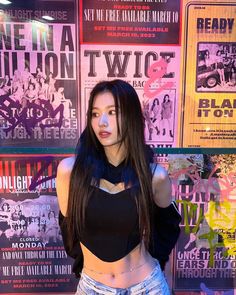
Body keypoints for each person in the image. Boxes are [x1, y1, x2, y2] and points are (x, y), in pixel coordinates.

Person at [56, 80, 181, 294]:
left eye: (112, 112)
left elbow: (167, 229)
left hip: (147, 286)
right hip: (92, 287)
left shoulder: (154, 176)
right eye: (95, 114)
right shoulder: (70, 172)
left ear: (131, 117)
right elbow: (69, 231)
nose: (102, 122)